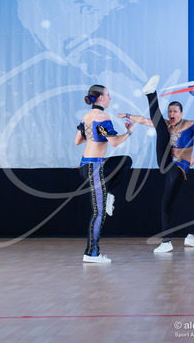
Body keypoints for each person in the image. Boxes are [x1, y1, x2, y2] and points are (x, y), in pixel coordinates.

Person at [118, 76, 194, 253]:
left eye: (175, 111)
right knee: (161, 129)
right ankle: (150, 94)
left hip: (178, 168)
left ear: (181, 113)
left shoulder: (189, 125)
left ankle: (167, 241)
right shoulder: (165, 124)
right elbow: (144, 120)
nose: (171, 114)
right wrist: (127, 115)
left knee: (166, 204)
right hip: (166, 162)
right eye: (169, 111)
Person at [75, 85, 134, 263]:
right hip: (94, 167)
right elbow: (114, 142)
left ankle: (109, 193)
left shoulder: (86, 117)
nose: (110, 98)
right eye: (108, 95)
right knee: (99, 213)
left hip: (86, 165)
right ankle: (92, 253)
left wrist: (93, 134)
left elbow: (77, 141)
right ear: (100, 98)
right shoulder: (103, 117)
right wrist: (129, 132)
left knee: (125, 161)